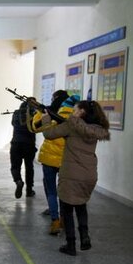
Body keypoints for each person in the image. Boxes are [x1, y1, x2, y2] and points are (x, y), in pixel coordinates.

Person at [42, 100, 110, 255]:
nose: (73, 111)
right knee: (81, 205)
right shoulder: (96, 129)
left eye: (75, 109)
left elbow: (48, 134)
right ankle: (85, 237)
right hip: (89, 174)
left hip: (71, 173)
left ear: (82, 112)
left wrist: (46, 119)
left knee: (66, 209)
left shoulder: (72, 125)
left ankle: (71, 245)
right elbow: (80, 137)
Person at [31, 90, 75, 234]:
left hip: (49, 158)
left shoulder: (51, 113)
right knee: (63, 192)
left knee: (51, 190)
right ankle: (63, 219)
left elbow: (35, 127)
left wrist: (40, 113)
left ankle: (55, 220)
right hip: (66, 160)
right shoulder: (75, 116)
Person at [10, 100, 37, 198]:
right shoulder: (34, 114)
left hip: (16, 143)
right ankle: (29, 190)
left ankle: (18, 181)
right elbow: (36, 128)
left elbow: (13, 124)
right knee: (29, 167)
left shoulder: (16, 113)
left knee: (15, 166)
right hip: (29, 144)